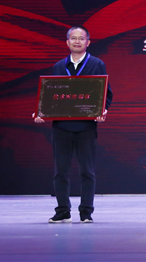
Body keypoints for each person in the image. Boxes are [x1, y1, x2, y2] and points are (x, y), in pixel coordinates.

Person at [34, 26, 113, 224]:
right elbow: (51, 94)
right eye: (73, 38)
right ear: (67, 42)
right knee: (61, 171)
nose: (77, 41)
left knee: (87, 171)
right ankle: (63, 211)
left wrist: (102, 110)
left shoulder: (97, 64)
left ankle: (86, 212)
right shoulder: (59, 66)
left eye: (81, 38)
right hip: (61, 127)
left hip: (86, 127)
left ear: (88, 42)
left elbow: (106, 93)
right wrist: (41, 112)